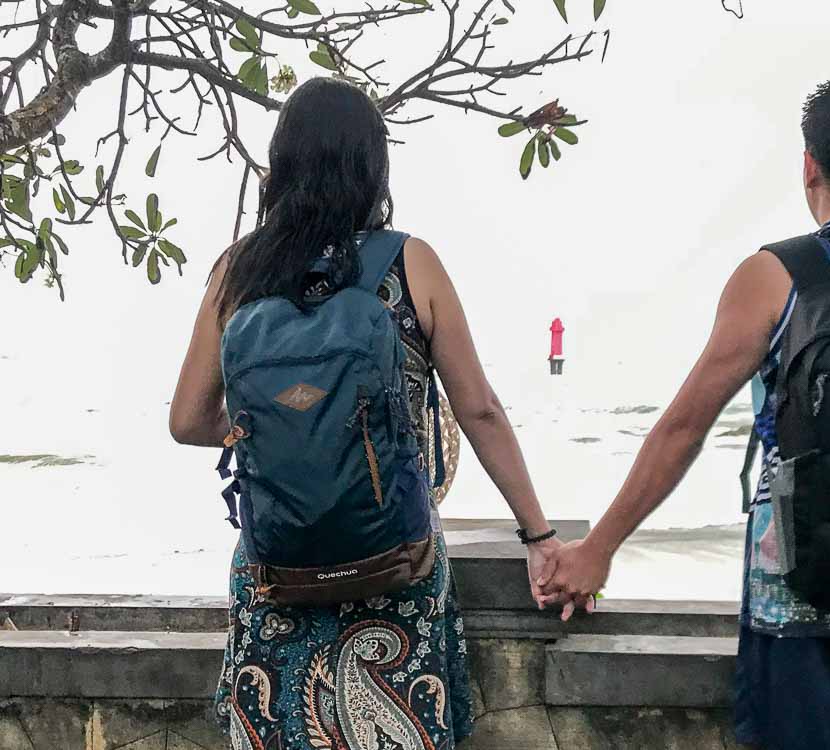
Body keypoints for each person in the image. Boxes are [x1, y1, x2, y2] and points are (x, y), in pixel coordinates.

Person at [537, 76, 830, 749]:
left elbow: (685, 427)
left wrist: (599, 548)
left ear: (809, 165)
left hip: (793, 594)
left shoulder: (774, 276)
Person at [169, 78, 562, 750]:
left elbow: (186, 420)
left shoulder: (237, 271)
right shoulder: (409, 262)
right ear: (372, 165)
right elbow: (480, 410)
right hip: (395, 558)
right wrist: (538, 537)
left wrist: (268, 433)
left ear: (282, 163)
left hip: (277, 566)